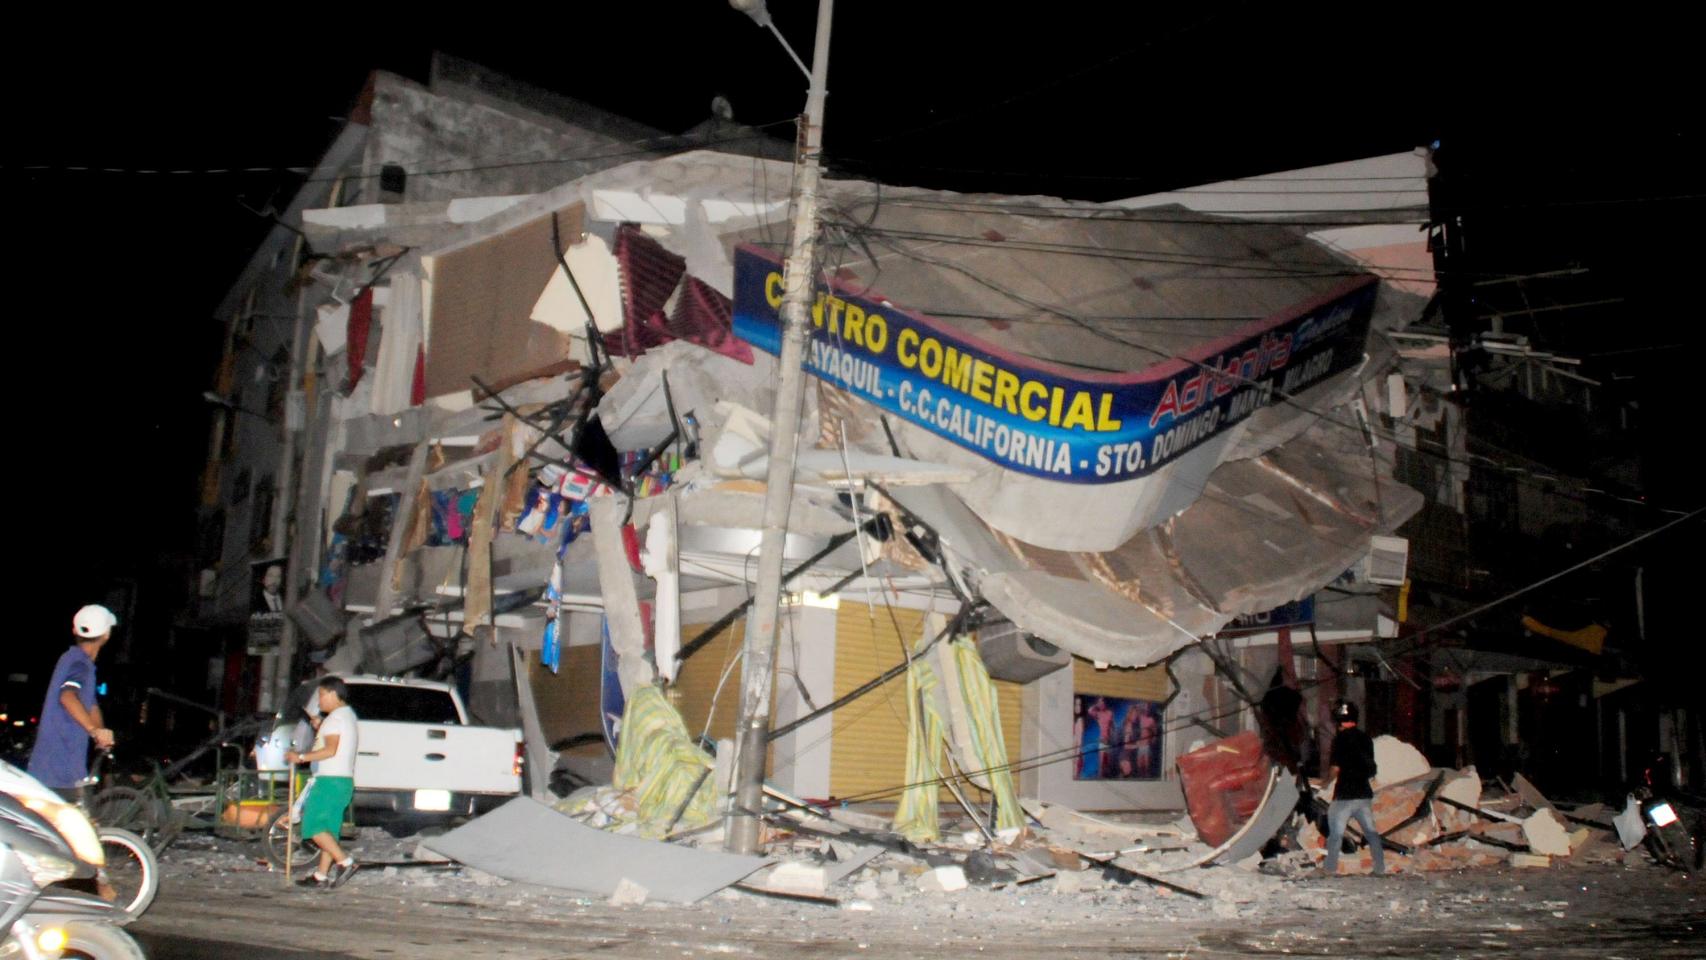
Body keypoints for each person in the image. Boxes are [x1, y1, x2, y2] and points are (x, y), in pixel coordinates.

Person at [28, 605, 119, 802]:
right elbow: (67, 696)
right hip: (59, 770)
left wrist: (100, 733)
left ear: (74, 631)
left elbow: (92, 706)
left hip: (63, 768)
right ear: (106, 634)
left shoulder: (76, 661)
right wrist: (93, 731)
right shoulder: (79, 664)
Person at [285, 676, 359, 889]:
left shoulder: (335, 719)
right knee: (328, 830)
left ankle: (345, 862)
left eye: (321, 695)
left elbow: (330, 750)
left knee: (313, 826)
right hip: (343, 781)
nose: (319, 701)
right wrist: (321, 726)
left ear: (333, 694)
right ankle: (321, 876)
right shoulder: (347, 716)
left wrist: (299, 757)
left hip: (329, 781)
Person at [1321, 699, 1384, 876]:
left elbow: (1335, 768)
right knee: (1371, 833)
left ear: (1337, 721)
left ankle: (1330, 868)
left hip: (1344, 795)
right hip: (1364, 794)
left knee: (1336, 835)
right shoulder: (1365, 738)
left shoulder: (1339, 740)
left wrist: (1325, 783)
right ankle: (1379, 867)